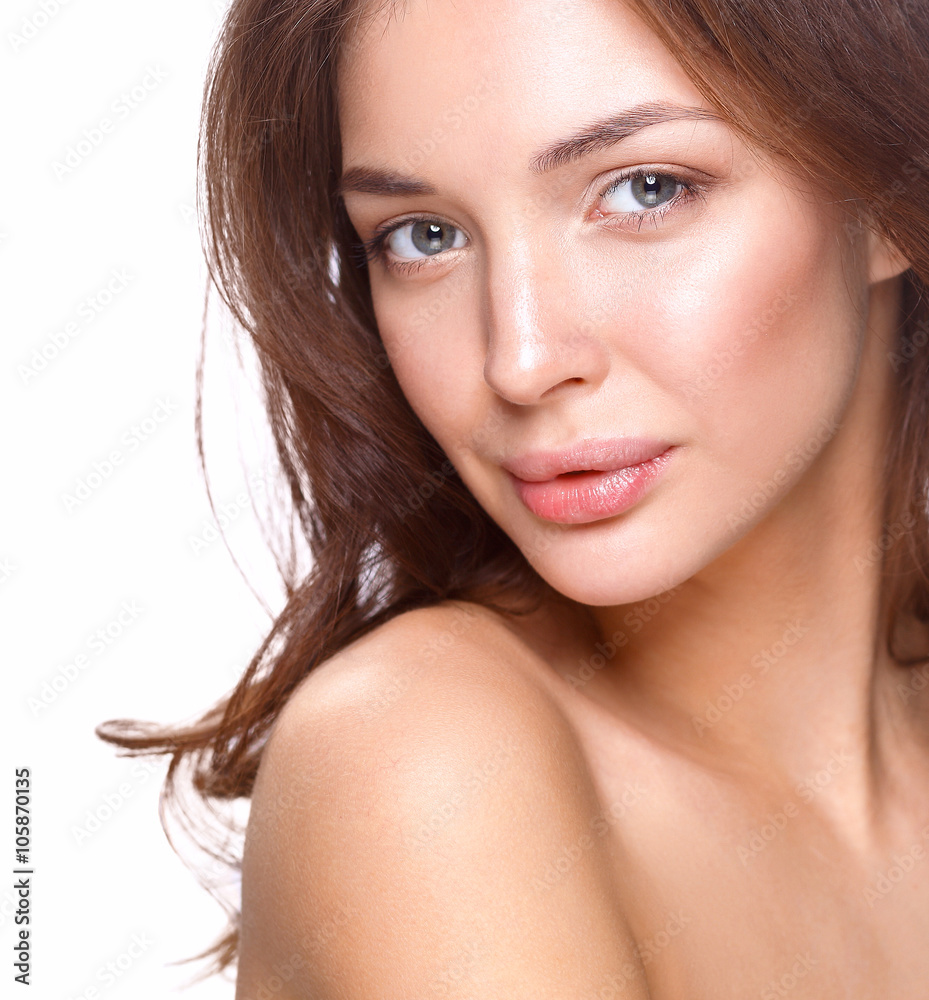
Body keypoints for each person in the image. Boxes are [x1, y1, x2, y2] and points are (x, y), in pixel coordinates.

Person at [97, 0, 929, 995]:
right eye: (423, 237)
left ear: (888, 188)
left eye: (644, 189)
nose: (520, 360)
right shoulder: (421, 755)